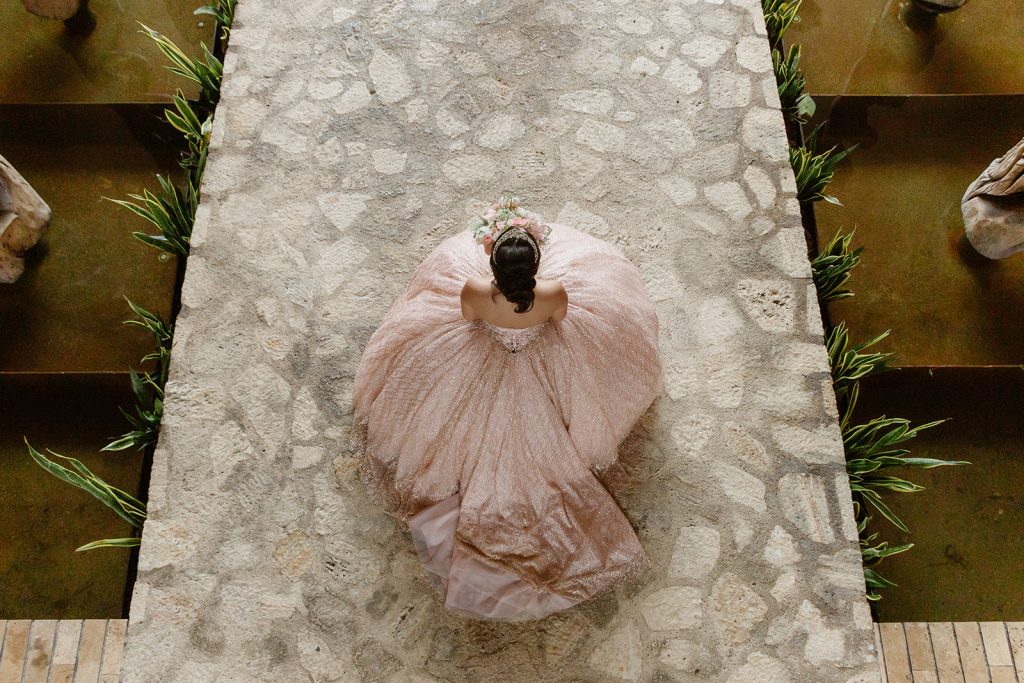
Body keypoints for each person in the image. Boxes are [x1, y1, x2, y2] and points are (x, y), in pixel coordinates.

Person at [351, 195, 663, 621]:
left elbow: (468, 318)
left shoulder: (475, 290)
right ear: (534, 267)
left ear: (493, 266)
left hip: (484, 349)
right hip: (539, 353)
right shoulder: (553, 292)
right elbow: (560, 320)